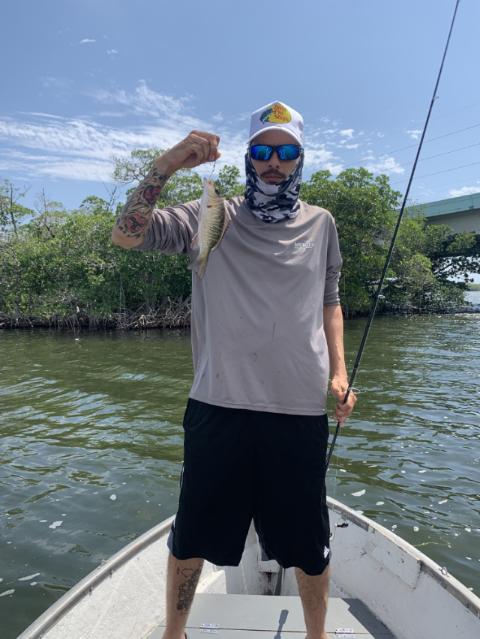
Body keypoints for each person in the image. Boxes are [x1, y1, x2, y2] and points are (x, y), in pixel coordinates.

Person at [111, 100, 357, 639]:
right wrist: (165, 166)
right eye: (263, 151)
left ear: (300, 159)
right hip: (217, 404)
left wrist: (339, 373)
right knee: (191, 537)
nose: (274, 162)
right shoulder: (209, 213)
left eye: (286, 152)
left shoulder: (322, 223)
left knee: (309, 545)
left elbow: (330, 300)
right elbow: (127, 235)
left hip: (298, 409)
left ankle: (316, 636)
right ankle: (173, 634)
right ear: (249, 156)